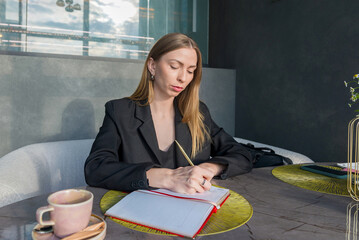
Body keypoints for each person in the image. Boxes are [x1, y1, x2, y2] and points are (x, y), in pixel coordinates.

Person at [84, 33, 252, 194]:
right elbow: (96, 169)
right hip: (137, 213)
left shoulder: (198, 113)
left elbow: (242, 155)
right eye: (174, 66)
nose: (183, 78)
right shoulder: (120, 111)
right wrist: (167, 177)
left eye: (190, 70)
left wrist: (207, 168)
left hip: (191, 211)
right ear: (152, 66)